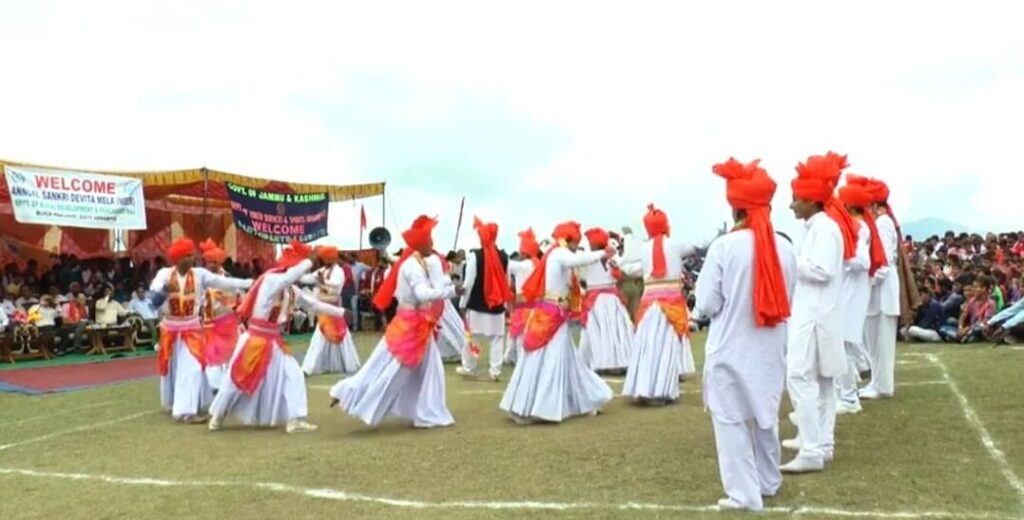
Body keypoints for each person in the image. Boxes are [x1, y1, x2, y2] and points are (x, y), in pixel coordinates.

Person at [698, 157, 795, 511]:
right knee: (765, 414)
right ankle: (768, 481)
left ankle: (743, 494)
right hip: (771, 346)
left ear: (734, 207)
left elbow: (707, 303)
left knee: (731, 420)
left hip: (730, 347)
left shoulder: (724, 246)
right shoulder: (786, 247)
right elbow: (791, 298)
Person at [330, 216, 464, 429]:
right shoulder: (412, 267)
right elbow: (421, 293)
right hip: (410, 324)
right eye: (429, 242)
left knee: (425, 367)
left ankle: (425, 410)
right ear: (420, 245)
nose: (433, 246)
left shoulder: (420, 264)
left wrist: (447, 286)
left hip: (417, 322)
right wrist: (451, 290)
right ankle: (352, 392)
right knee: (390, 367)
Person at [209, 241, 339, 434]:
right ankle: (218, 414)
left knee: (294, 374)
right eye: (299, 267)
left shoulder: (291, 290)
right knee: (237, 378)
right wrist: (308, 262)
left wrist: (341, 312)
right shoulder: (271, 281)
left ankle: (295, 419)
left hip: (275, 342)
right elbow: (287, 278)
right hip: (256, 339)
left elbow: (313, 305)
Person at [499, 221, 614, 424]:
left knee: (559, 360)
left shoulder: (553, 253)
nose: (576, 247)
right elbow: (578, 260)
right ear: (568, 240)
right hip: (552, 314)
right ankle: (544, 407)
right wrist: (603, 253)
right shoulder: (560, 253)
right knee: (554, 359)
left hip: (551, 313)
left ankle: (579, 402)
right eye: (575, 243)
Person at [781, 154, 846, 474]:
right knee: (820, 380)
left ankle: (813, 448)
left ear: (810, 200)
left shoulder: (825, 228)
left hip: (815, 313)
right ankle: (820, 443)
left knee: (801, 376)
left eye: (796, 199)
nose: (792, 205)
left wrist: (788, 261)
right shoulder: (817, 227)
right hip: (814, 311)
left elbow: (822, 270)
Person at [150, 238, 252, 424]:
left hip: (192, 328)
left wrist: (250, 283)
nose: (192, 258)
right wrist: (164, 291)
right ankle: (176, 403)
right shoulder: (164, 275)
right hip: (170, 329)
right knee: (171, 369)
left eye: (192, 254)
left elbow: (223, 283)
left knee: (193, 368)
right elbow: (153, 301)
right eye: (188, 255)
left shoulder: (199, 274)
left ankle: (185, 412)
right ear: (178, 259)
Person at [619, 205, 698, 405]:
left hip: (648, 304)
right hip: (671, 303)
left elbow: (629, 267)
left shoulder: (643, 248)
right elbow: (694, 246)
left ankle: (643, 388)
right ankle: (660, 390)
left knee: (647, 345)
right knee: (666, 346)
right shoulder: (675, 245)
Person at [835, 174, 884, 415]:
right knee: (845, 341)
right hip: (850, 290)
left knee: (842, 342)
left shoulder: (859, 227)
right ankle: (850, 385)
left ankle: (848, 397)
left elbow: (862, 261)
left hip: (852, 291)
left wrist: (839, 260)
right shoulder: (856, 225)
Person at [856, 176, 901, 400]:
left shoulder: (883, 223)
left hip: (882, 291)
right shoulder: (882, 222)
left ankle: (883, 386)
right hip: (878, 290)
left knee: (881, 342)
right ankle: (876, 381)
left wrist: (866, 282)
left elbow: (882, 263)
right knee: (873, 340)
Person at [457, 217, 512, 381]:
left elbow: (469, 282)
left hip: (476, 305)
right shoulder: (504, 257)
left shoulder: (475, 256)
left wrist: (462, 303)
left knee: (471, 337)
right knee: (497, 339)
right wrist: (506, 302)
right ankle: (495, 371)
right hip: (497, 306)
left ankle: (469, 367)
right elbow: (506, 281)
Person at [577, 227, 633, 375]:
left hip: (598, 300)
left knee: (598, 331)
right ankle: (620, 361)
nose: (589, 245)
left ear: (594, 243)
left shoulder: (590, 257)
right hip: (611, 299)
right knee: (616, 330)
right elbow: (622, 272)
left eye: (590, 242)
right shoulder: (611, 256)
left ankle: (602, 362)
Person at [300, 246, 361, 376]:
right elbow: (309, 278)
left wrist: (323, 282)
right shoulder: (322, 270)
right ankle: (307, 368)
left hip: (334, 308)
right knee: (320, 338)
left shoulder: (339, 271)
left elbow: (337, 285)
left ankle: (308, 368)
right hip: (324, 309)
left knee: (340, 337)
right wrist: (294, 274)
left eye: (325, 257)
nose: (323, 260)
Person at [199, 240, 247, 391]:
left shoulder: (228, 279)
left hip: (229, 321)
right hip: (210, 323)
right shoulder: (201, 279)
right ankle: (214, 386)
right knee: (212, 356)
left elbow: (239, 297)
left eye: (214, 262)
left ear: (219, 262)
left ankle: (231, 384)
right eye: (208, 262)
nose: (211, 265)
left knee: (233, 355)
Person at [505, 228, 542, 366]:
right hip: (535, 304)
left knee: (519, 333)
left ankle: (520, 359)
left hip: (523, 305)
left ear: (523, 251)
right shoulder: (538, 264)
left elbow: (506, 264)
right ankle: (511, 356)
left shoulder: (523, 265)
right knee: (521, 333)